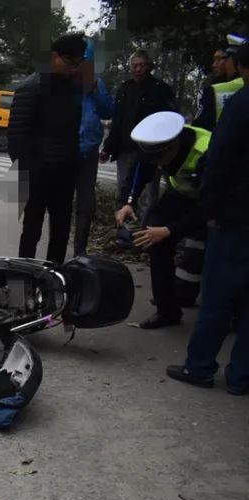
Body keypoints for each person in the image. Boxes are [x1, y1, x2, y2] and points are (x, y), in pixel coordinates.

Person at [134, 45, 249, 392]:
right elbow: (147, 170)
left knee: (216, 296)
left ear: (241, 65)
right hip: (228, 211)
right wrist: (130, 201)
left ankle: (199, 367)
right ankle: (241, 377)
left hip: (233, 217)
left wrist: (202, 222)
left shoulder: (239, 105)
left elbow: (216, 175)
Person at [114, 112, 211, 329]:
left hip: (214, 203)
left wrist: (170, 230)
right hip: (180, 195)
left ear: (173, 146)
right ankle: (167, 310)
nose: (157, 164)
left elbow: (209, 206)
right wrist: (127, 202)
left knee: (212, 252)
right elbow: (140, 171)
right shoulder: (156, 145)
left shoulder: (207, 152)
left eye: (159, 159)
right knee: (153, 238)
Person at [8, 33, 87, 264]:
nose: (73, 68)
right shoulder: (31, 87)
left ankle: (55, 275)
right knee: (32, 228)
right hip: (37, 174)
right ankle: (25, 274)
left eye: (77, 63)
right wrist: (29, 172)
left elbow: (72, 131)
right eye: (70, 62)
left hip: (65, 172)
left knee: (61, 230)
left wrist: (73, 163)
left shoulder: (73, 88)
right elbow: (16, 138)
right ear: (54, 57)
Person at [101, 49, 177, 225]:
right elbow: (117, 120)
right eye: (135, 66)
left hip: (151, 151)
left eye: (142, 66)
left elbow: (170, 118)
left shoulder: (161, 90)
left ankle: (145, 229)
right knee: (123, 191)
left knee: (148, 196)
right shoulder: (125, 88)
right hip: (125, 149)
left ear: (149, 67)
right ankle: (123, 229)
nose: (138, 69)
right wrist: (108, 147)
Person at [72, 37, 115, 257]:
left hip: (88, 152)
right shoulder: (65, 82)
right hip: (67, 152)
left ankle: (80, 250)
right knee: (60, 202)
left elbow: (109, 111)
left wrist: (95, 92)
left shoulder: (98, 84)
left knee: (86, 205)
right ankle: (57, 248)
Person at [193, 33, 246, 131]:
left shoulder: (215, 91)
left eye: (218, 59)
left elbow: (198, 129)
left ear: (234, 60)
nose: (214, 64)